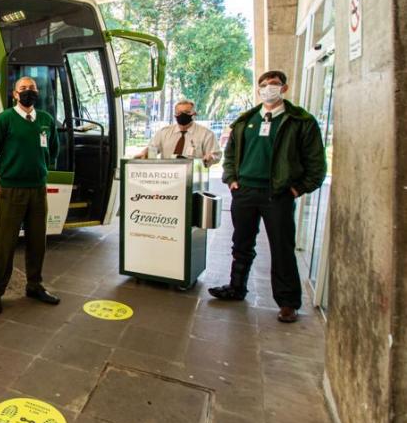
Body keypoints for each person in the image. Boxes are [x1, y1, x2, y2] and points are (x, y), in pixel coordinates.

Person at [209, 70, 327, 323]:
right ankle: (236, 287)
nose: (268, 89)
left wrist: (296, 190)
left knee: (281, 248)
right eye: (263, 85)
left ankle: (287, 302)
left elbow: (316, 166)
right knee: (241, 243)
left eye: (273, 85)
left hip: (278, 195)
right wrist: (231, 180)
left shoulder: (300, 121)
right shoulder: (245, 121)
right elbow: (230, 155)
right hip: (245, 193)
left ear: (284, 88)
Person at [0, 76, 61, 315]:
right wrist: (8, 171)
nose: (28, 92)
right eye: (23, 89)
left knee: (38, 240)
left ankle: (34, 285)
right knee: (6, 242)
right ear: (15, 95)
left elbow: (54, 151)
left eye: (32, 88)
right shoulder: (4, 119)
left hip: (38, 189)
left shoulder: (46, 120)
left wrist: (40, 169)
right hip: (12, 190)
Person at [135, 100, 221, 166]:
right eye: (179, 113)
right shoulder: (163, 132)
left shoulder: (206, 134)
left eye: (187, 112)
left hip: (192, 178)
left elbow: (216, 155)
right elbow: (152, 149)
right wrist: (144, 153)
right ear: (175, 115)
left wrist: (211, 157)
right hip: (167, 177)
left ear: (194, 114)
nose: (182, 115)